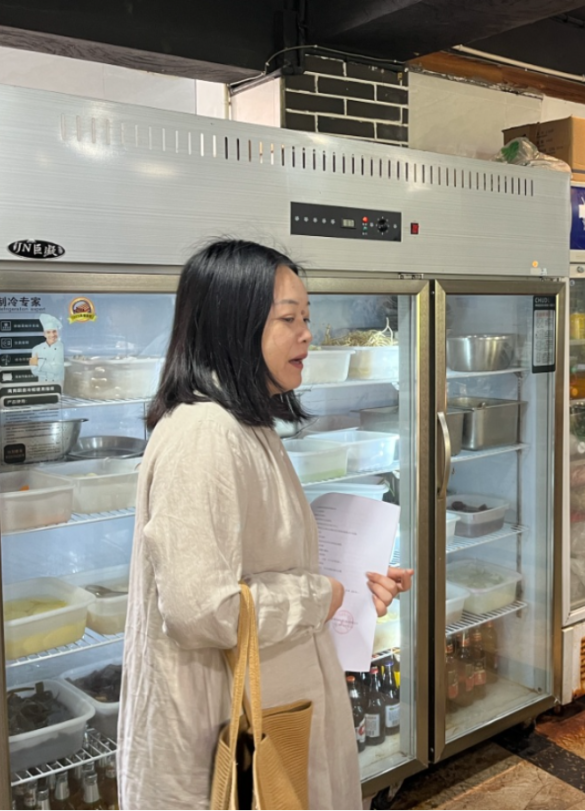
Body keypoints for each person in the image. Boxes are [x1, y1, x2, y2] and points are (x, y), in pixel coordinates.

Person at [118, 240, 412, 810]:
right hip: (219, 743)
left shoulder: (243, 421)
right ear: (234, 324)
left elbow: (260, 564)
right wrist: (319, 596)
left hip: (274, 716)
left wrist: (350, 589)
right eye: (288, 319)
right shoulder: (203, 434)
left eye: (307, 318)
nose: (307, 335)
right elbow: (201, 609)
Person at [29, 314, 64, 383]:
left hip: (57, 384)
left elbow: (57, 369)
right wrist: (50, 367)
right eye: (48, 332)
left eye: (54, 331)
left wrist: (38, 362)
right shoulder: (36, 349)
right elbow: (34, 371)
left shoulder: (61, 347)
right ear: (44, 334)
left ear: (57, 332)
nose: (52, 335)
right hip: (42, 384)